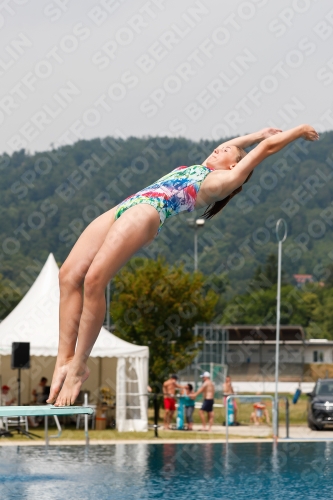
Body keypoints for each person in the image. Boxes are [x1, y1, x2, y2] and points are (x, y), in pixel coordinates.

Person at [47, 124, 319, 406]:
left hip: (148, 212)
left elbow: (265, 150)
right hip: (126, 205)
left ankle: (79, 365)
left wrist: (297, 131)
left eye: (226, 151)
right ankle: (64, 359)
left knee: (94, 280)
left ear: (235, 165)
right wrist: (257, 134)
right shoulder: (202, 168)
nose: (219, 148)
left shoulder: (222, 181)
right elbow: (241, 144)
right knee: (68, 275)